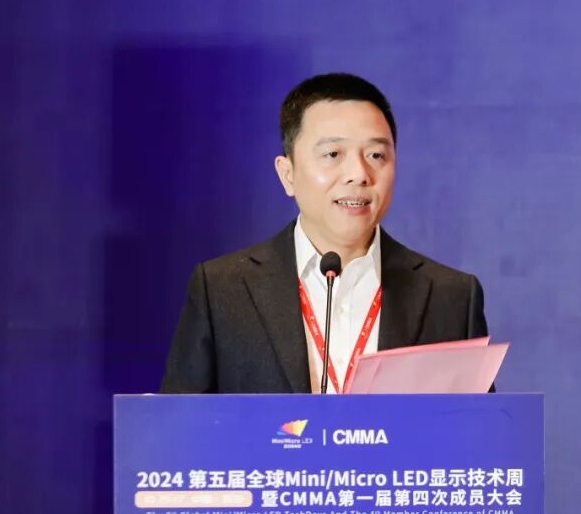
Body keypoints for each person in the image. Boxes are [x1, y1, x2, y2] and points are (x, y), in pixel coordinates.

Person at [160, 72, 490, 393]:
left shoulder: (451, 297)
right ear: (287, 174)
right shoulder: (222, 289)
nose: (358, 174)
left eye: (376, 155)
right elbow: (182, 423)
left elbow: (477, 426)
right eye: (333, 154)